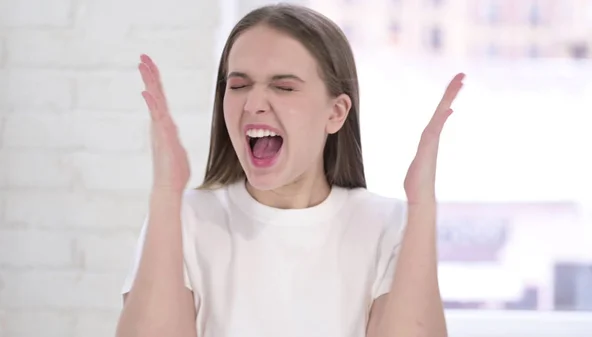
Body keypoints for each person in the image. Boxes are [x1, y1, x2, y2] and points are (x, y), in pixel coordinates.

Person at [116, 3, 464, 337]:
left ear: (336, 113)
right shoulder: (186, 218)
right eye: (238, 86)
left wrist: (422, 207)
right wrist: (165, 192)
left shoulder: (387, 224)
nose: (252, 104)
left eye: (283, 87)